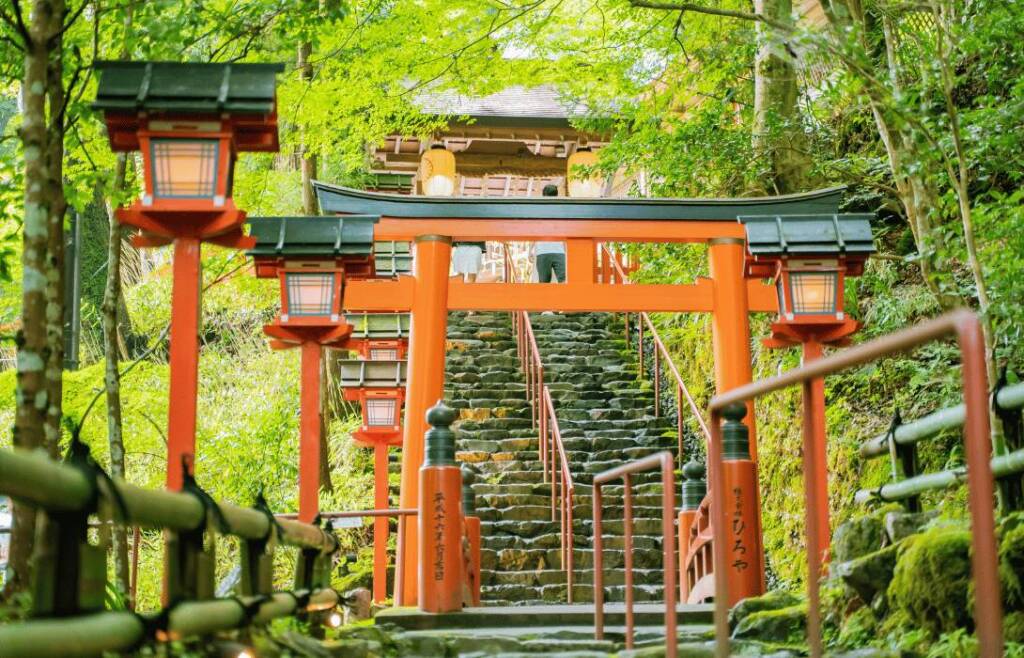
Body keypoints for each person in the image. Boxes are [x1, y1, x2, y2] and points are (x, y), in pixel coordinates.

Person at [535, 185, 566, 283]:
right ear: (556, 195)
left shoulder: (537, 210)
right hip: (558, 250)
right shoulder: (562, 209)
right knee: (564, 281)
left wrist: (530, 250)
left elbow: (533, 230)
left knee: (544, 283)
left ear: (543, 195)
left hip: (543, 250)